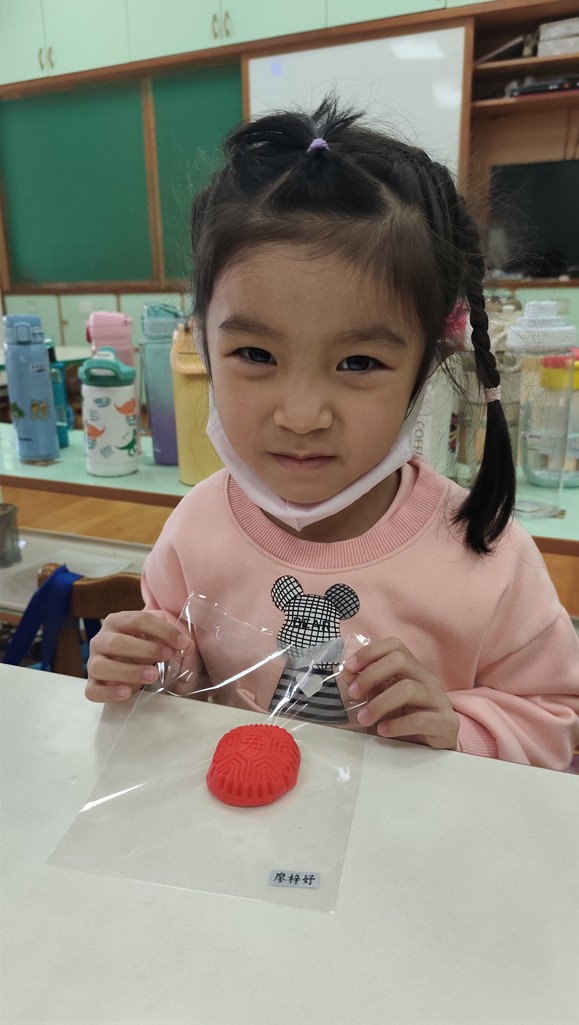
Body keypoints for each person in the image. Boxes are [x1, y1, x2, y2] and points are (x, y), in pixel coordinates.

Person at [87, 97, 579, 770]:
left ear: (428, 364)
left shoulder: (488, 559)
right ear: (202, 343)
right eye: (255, 354)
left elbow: (556, 718)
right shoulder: (195, 529)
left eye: (358, 363)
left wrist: (457, 728)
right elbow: (181, 676)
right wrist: (152, 668)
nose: (301, 415)